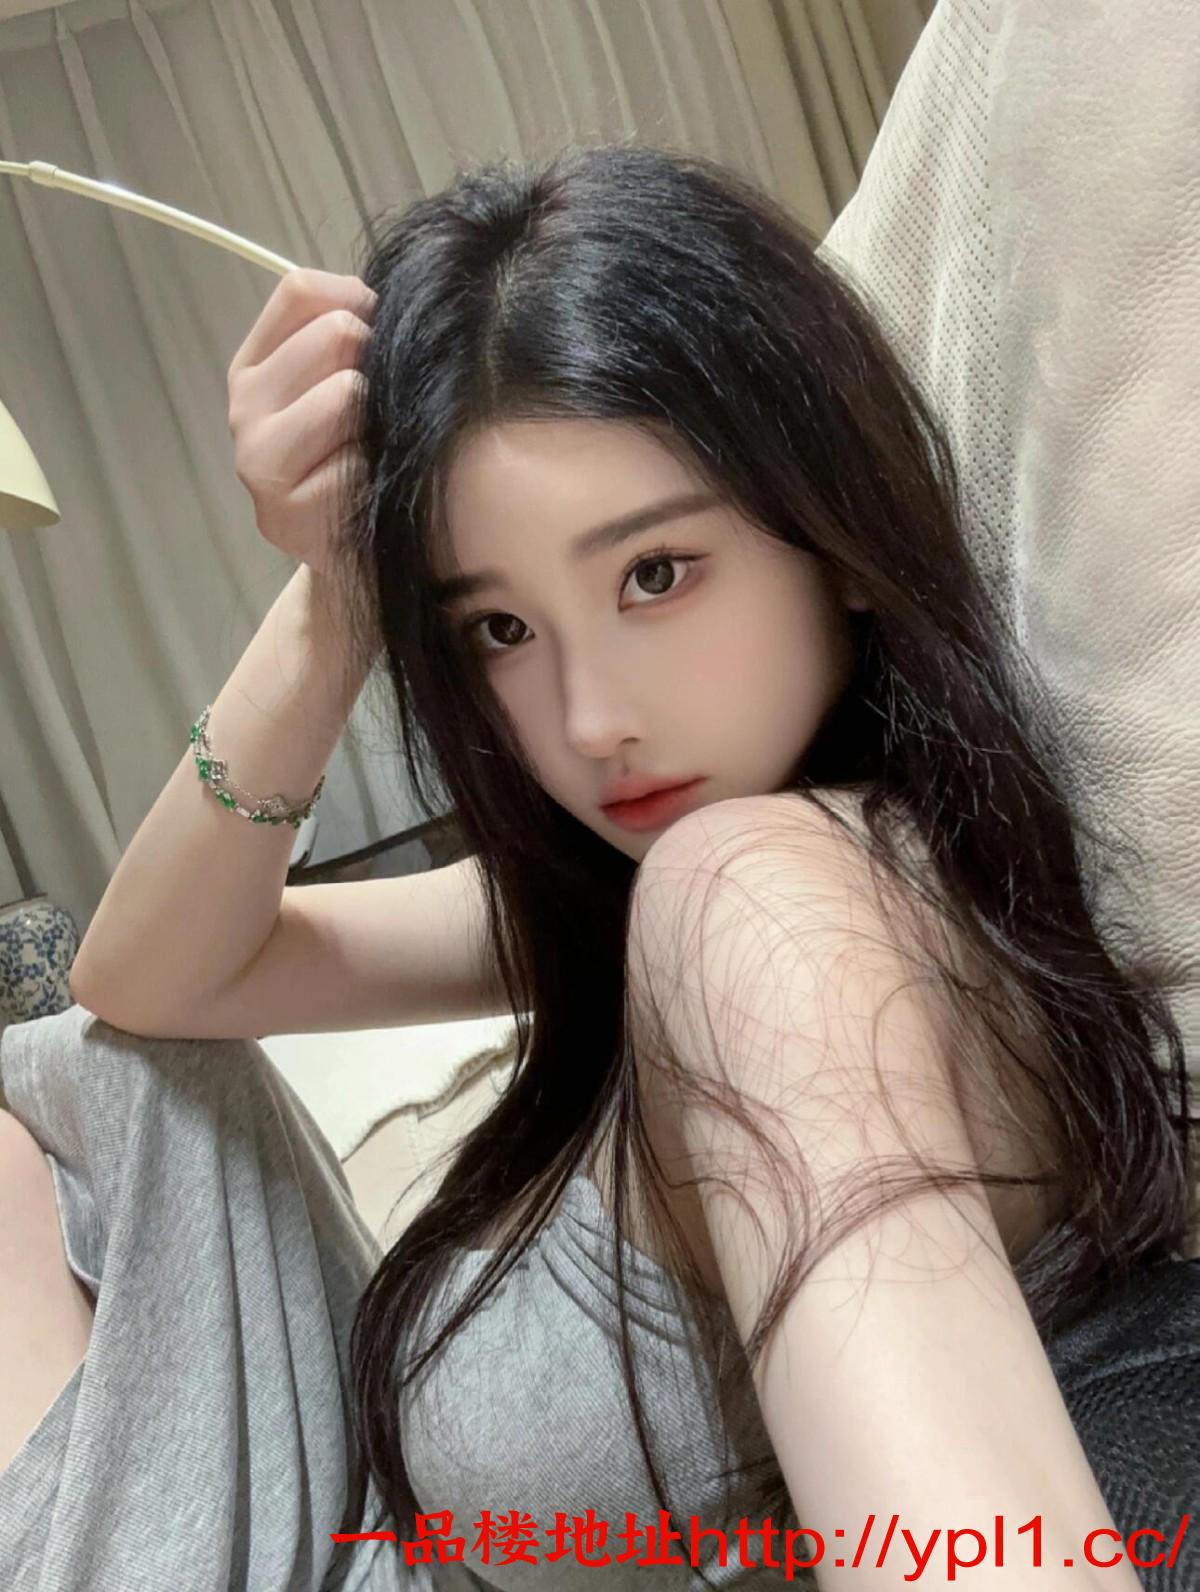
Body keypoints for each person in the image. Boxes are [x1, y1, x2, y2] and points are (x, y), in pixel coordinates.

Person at [1, 142, 1197, 1592]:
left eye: (654, 575)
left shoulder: (761, 905)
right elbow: (149, 982)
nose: (586, 723)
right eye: (499, 628)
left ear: (835, 534)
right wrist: (340, 594)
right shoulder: (636, 893)